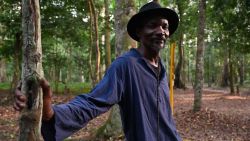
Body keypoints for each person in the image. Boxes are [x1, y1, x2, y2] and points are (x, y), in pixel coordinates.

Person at [14, 1, 182, 141]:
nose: (161, 31)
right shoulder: (125, 66)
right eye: (153, 26)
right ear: (139, 32)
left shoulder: (161, 67)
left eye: (165, 27)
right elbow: (92, 102)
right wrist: (50, 112)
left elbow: (164, 117)